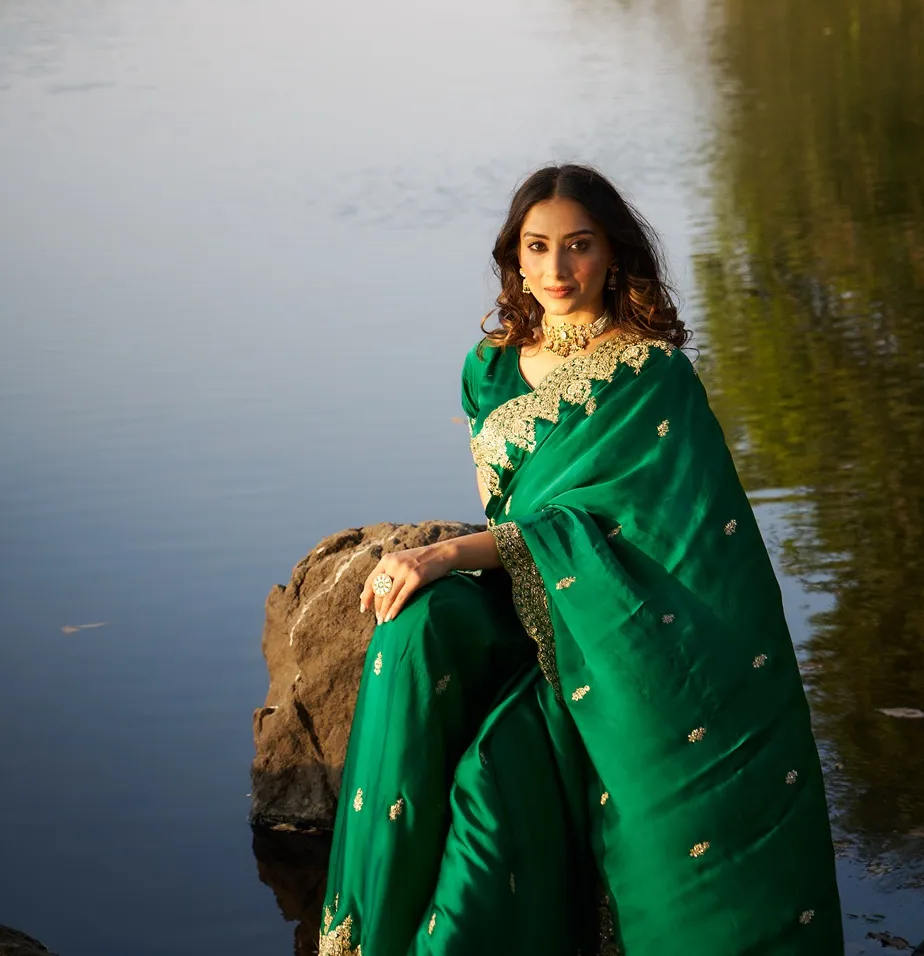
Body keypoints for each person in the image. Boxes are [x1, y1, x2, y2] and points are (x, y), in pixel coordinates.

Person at [318, 164, 843, 956]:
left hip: (630, 632)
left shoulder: (651, 374)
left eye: (578, 246)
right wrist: (452, 569)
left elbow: (651, 532)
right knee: (412, 633)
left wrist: (443, 553)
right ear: (515, 259)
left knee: (497, 793)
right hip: (536, 607)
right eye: (538, 248)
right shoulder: (487, 369)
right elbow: (526, 511)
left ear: (612, 254)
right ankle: (367, 929)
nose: (557, 271)